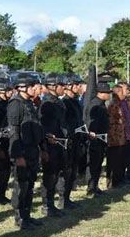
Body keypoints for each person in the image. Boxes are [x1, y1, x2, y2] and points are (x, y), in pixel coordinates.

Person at [6, 76, 45, 229]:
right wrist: (17, 155)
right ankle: (19, 217)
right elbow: (13, 131)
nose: (36, 89)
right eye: (33, 86)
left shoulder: (29, 103)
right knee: (21, 185)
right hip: (22, 150)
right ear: (23, 87)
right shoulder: (15, 104)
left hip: (32, 150)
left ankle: (27, 215)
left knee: (29, 185)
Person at [38, 74, 68, 217]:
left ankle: (54, 202)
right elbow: (43, 126)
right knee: (49, 176)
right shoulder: (47, 104)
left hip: (60, 143)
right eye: (62, 86)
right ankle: (47, 205)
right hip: (50, 144)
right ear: (53, 87)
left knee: (57, 174)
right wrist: (46, 141)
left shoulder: (57, 102)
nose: (64, 88)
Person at [60, 76, 86, 207]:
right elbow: (64, 123)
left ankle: (68, 197)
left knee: (73, 170)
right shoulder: (64, 103)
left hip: (77, 140)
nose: (78, 87)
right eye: (75, 85)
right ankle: (62, 199)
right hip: (69, 141)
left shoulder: (75, 102)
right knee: (67, 170)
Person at [85, 82, 110, 196]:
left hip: (101, 138)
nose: (108, 95)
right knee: (93, 164)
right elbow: (90, 121)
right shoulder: (94, 105)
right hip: (94, 139)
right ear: (100, 93)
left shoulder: (102, 104)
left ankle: (95, 186)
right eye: (107, 93)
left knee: (99, 163)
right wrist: (92, 134)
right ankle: (91, 188)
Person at [106, 85, 128, 188]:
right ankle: (112, 182)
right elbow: (111, 121)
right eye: (121, 92)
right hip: (114, 137)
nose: (123, 94)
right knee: (113, 160)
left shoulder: (119, 104)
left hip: (120, 136)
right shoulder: (113, 105)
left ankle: (118, 179)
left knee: (120, 160)